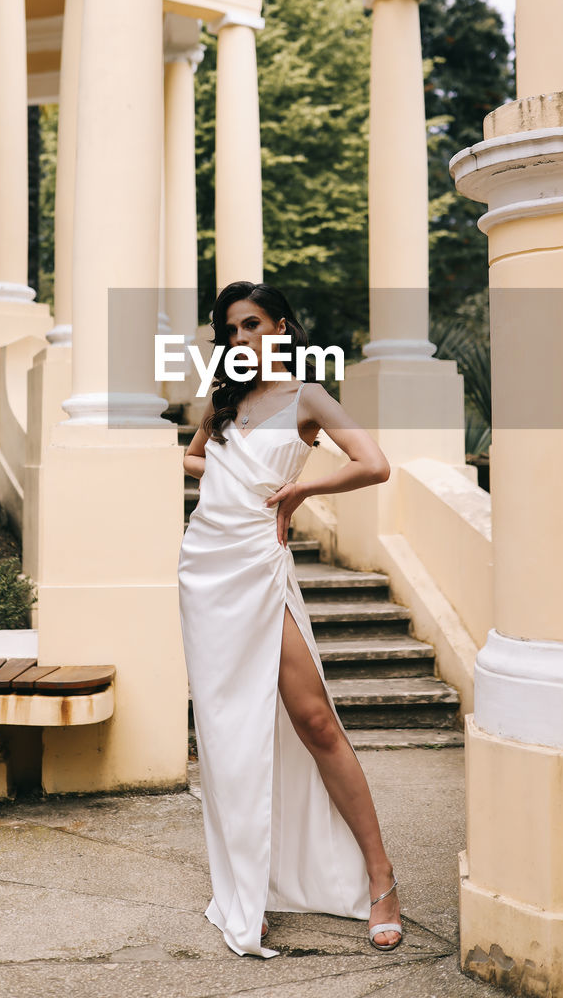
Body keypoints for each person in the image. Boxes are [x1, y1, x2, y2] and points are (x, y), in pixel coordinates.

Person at [177, 280, 402, 959]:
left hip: (259, 566)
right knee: (226, 732)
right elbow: (193, 455)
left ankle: (380, 878)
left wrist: (301, 487)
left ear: (281, 326)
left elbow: (374, 464)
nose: (239, 338)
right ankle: (248, 886)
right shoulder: (223, 404)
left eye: (251, 325)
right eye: (229, 329)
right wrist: (228, 481)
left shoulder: (306, 396)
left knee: (312, 721)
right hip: (206, 569)